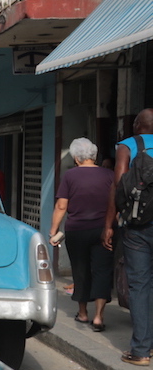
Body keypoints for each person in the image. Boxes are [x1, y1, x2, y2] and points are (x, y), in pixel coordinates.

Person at [103, 109, 153, 366]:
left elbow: (118, 184)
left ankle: (142, 350)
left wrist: (109, 223)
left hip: (138, 226)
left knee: (140, 285)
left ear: (136, 125)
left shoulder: (128, 145)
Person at [49, 138, 114, 332]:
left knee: (81, 270)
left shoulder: (70, 176)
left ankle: (83, 313)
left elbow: (62, 205)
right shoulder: (110, 175)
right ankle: (99, 317)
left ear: (77, 158)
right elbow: (117, 203)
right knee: (102, 271)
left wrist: (53, 230)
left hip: (77, 230)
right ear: (94, 156)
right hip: (103, 230)